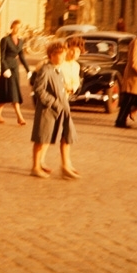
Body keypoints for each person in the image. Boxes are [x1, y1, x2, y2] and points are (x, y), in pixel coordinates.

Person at [30, 41, 79, 179]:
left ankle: (65, 165)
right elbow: (39, 90)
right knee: (42, 138)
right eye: (61, 55)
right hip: (48, 110)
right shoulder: (46, 70)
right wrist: (54, 102)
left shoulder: (58, 69)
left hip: (62, 108)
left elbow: (58, 87)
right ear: (52, 55)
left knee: (66, 136)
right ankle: (35, 166)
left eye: (64, 55)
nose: (63, 58)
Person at [0, 19, 31, 125]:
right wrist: (4, 68)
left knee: (9, 92)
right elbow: (1, 56)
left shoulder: (20, 41)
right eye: (16, 27)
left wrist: (28, 70)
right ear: (12, 27)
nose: (18, 29)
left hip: (14, 69)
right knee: (12, 92)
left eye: (20, 28)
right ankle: (20, 117)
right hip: (6, 69)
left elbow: (22, 56)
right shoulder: (5, 39)